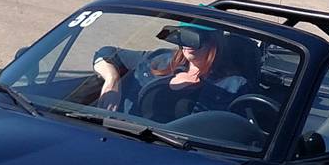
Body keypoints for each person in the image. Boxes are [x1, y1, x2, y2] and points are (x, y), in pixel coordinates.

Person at [92, 25, 244, 119]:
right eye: (183, 36)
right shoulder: (159, 59)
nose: (188, 43)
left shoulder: (234, 85)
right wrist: (112, 80)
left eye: (195, 37)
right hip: (121, 135)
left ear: (214, 42)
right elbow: (106, 53)